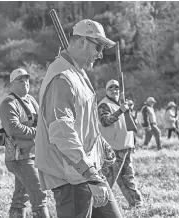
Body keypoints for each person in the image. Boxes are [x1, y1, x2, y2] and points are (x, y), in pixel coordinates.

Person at [35, 19, 123, 218]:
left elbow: (83, 122)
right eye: (98, 46)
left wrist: (101, 146)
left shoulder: (77, 72)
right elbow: (63, 134)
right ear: (83, 42)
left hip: (86, 170)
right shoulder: (62, 78)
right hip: (73, 175)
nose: (100, 54)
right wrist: (90, 175)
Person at [0, 68, 50, 218]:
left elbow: (42, 121)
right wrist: (37, 132)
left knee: (20, 198)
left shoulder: (31, 100)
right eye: (20, 80)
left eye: (27, 80)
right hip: (18, 157)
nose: (25, 83)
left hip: (31, 154)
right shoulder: (8, 103)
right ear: (12, 84)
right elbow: (13, 129)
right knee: (39, 193)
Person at [98, 79, 143, 208]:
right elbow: (105, 121)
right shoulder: (104, 105)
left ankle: (136, 204)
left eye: (116, 88)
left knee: (128, 177)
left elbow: (128, 126)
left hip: (125, 147)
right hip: (112, 149)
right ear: (106, 91)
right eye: (110, 88)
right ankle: (99, 208)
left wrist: (133, 142)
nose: (114, 90)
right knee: (108, 180)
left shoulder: (122, 104)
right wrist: (121, 111)